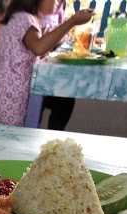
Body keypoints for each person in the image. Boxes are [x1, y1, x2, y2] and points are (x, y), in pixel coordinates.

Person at [0, 0, 93, 126]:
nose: (57, 3)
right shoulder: (26, 20)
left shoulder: (13, 18)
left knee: (2, 136)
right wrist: (72, 22)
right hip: (14, 97)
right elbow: (38, 48)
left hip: (0, 93)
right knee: (15, 138)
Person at [39, 0, 76, 130]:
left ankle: (52, 139)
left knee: (66, 100)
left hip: (48, 71)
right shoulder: (27, 15)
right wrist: (71, 22)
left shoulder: (60, 5)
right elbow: (38, 46)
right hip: (32, 75)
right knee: (37, 105)